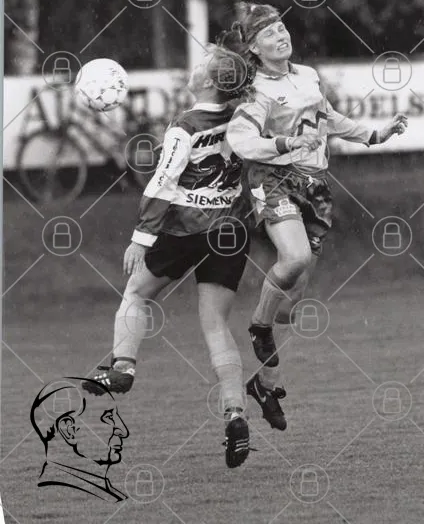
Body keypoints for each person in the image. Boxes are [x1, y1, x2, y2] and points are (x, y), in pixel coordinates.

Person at [84, 43, 304, 467]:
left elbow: (162, 182)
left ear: (207, 82)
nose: (194, 67)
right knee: (216, 323)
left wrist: (141, 238)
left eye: (202, 64)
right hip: (231, 232)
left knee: (136, 294)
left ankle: (123, 367)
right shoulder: (243, 117)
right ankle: (235, 412)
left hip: (184, 229)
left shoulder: (185, 126)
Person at [225, 2, 408, 430]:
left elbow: (328, 119)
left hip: (314, 185)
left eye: (282, 28)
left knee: (291, 305)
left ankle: (264, 385)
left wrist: (374, 134)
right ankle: (258, 327)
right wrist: (284, 144)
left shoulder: (307, 76)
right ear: (254, 48)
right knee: (295, 258)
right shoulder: (255, 91)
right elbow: (241, 139)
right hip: (274, 179)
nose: (280, 36)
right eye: (269, 33)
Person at [30, 378, 129, 502]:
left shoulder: (103, 492)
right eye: (108, 417)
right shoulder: (66, 498)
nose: (123, 431)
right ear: (69, 430)